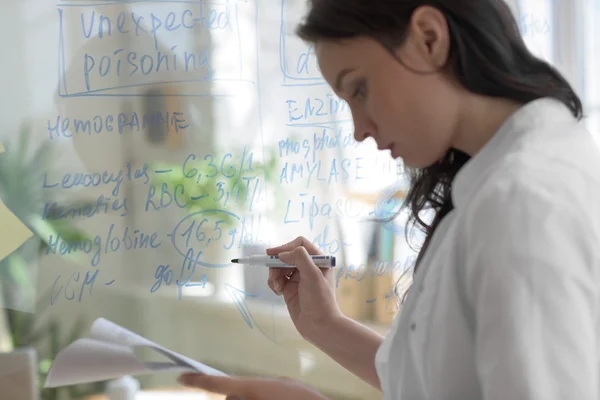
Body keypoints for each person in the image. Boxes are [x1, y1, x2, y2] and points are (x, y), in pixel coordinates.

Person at [177, 0, 600, 399]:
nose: (359, 129)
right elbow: (437, 381)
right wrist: (326, 326)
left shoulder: (520, 203)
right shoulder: (497, 179)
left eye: (359, 89)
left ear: (429, 38)